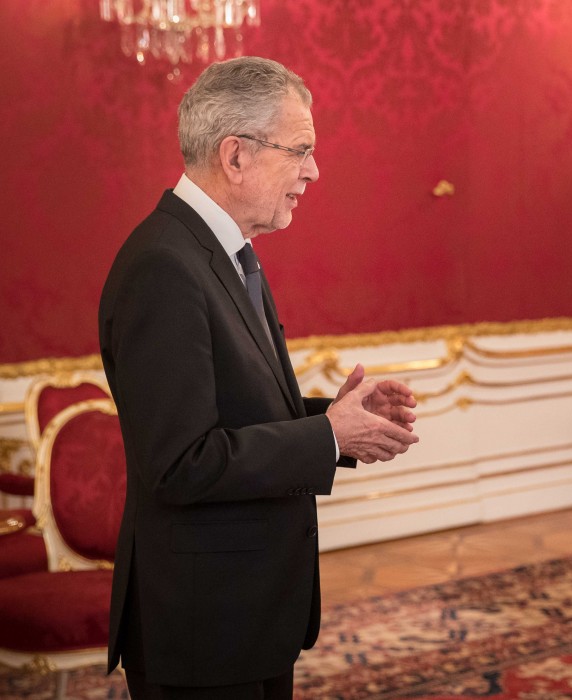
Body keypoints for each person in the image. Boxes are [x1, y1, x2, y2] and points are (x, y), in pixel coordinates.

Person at [98, 56, 420, 699]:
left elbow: (232, 410)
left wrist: (339, 413)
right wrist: (328, 437)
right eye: (300, 149)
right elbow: (181, 461)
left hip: (242, 614)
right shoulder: (164, 267)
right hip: (202, 626)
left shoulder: (223, 250)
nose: (313, 170)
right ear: (236, 155)